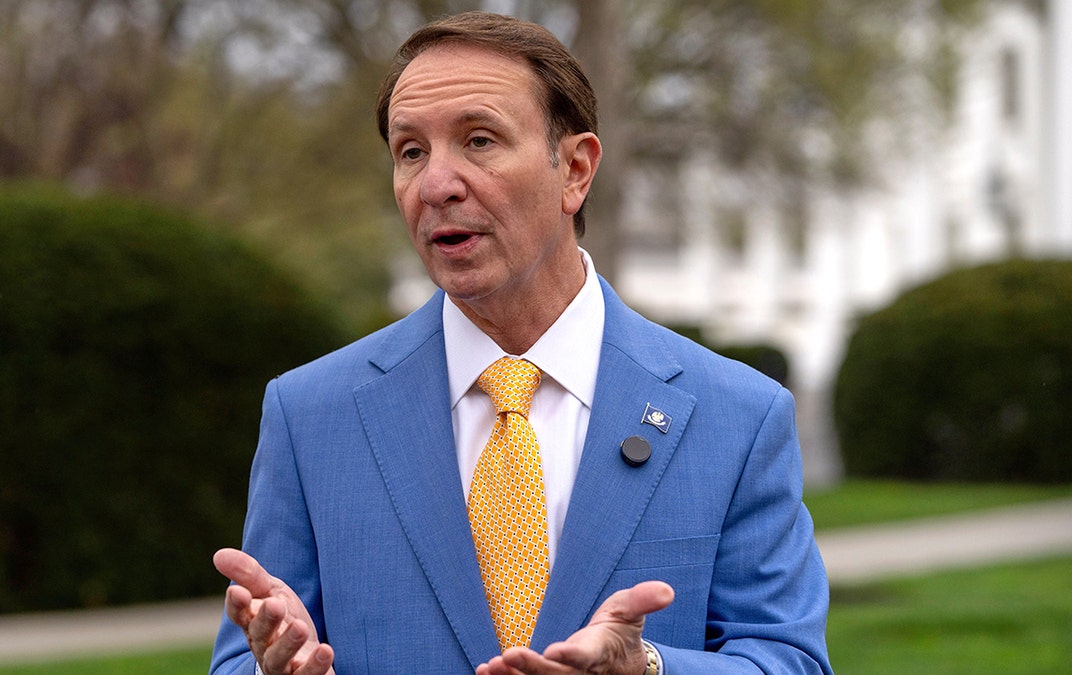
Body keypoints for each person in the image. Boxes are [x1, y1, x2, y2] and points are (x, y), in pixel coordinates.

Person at [210, 11, 831, 675]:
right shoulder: (310, 416)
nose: (436, 185)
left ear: (575, 169)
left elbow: (785, 659)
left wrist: (647, 666)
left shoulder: (736, 415)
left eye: (479, 141)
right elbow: (244, 661)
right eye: (411, 151)